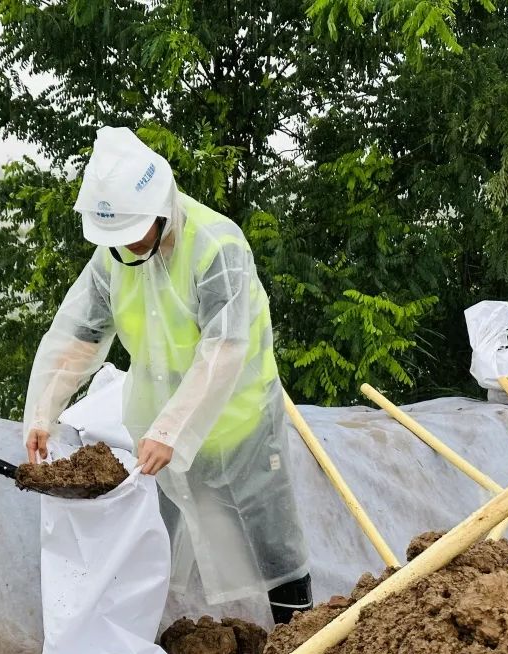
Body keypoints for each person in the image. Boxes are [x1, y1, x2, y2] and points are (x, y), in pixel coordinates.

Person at [23, 126, 310, 626]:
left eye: (133, 234)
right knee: (157, 540)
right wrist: (43, 412)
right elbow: (80, 337)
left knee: (271, 542)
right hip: (158, 435)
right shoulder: (115, 254)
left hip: (238, 423)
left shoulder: (217, 247)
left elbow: (224, 349)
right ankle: (149, 645)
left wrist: (172, 429)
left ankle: (301, 638)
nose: (126, 248)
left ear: (161, 211)